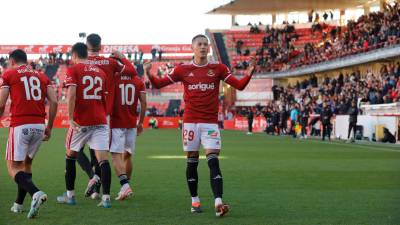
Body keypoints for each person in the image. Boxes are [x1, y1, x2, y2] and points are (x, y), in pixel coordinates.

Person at [144, 34, 256, 217]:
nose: (203, 47)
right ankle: (194, 200)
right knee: (192, 162)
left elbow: (239, 85)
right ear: (193, 47)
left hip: (210, 123)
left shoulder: (218, 68)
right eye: (200, 44)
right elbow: (158, 83)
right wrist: (149, 73)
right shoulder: (183, 69)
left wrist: (249, 71)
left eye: (206, 44)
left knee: (213, 161)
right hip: (190, 123)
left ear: (209, 48)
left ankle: (218, 202)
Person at [0, 49, 58, 218]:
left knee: (12, 167)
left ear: (11, 61)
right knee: (26, 165)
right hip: (39, 125)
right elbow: (54, 101)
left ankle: (36, 193)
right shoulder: (42, 76)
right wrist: (50, 127)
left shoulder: (10, 74)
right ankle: (18, 204)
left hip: (20, 124)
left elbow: (1, 102)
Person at [77, 33, 134, 200]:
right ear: (101, 46)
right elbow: (131, 71)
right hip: (103, 115)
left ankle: (93, 179)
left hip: (83, 114)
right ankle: (98, 188)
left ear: (86, 46)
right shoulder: (110, 62)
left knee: (77, 150)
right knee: (99, 153)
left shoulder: (82, 64)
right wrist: (122, 57)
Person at [56, 43, 112, 208]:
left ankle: (70, 196)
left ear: (74, 55)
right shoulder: (101, 72)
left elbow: (71, 94)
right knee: (103, 161)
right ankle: (106, 199)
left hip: (82, 121)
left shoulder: (73, 70)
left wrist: (70, 117)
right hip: (101, 120)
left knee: (70, 156)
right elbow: (105, 97)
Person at [109, 58, 147, 200]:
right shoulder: (138, 80)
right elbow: (143, 102)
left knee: (116, 155)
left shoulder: (114, 78)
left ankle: (125, 186)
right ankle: (126, 186)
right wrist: (141, 122)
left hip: (116, 122)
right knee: (128, 155)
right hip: (131, 123)